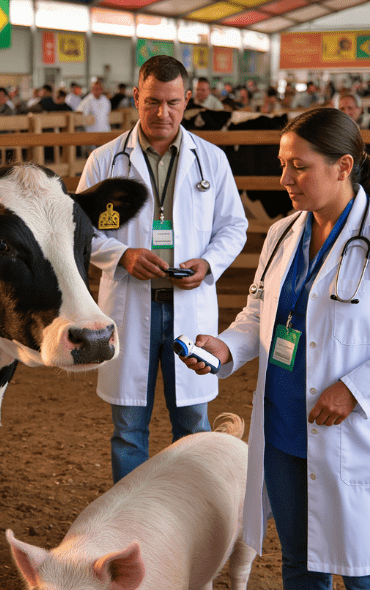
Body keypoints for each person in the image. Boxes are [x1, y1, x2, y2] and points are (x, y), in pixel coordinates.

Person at [180, 107, 370, 590]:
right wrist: (226, 347)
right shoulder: (283, 232)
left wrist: (355, 388)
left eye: (298, 166)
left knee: (369, 579)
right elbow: (260, 312)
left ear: (343, 166)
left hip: (350, 435)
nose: (284, 178)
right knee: (299, 568)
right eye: (283, 164)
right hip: (284, 430)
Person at [76, 54, 247, 483]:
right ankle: (129, 525)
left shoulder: (211, 160)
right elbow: (79, 231)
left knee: (193, 424)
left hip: (188, 308)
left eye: (172, 102)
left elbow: (233, 226)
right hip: (131, 306)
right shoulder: (104, 160)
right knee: (128, 430)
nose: (162, 113)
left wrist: (208, 264)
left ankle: (198, 519)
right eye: (152, 101)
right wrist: (122, 256)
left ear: (187, 99)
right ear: (136, 97)